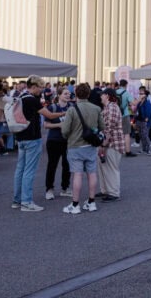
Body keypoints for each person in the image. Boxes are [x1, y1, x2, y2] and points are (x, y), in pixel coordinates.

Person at [12, 75, 65, 212]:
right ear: (34, 86)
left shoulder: (21, 97)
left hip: (21, 136)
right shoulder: (32, 100)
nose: (42, 90)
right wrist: (64, 113)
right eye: (40, 87)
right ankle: (26, 202)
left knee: (20, 170)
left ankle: (17, 200)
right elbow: (49, 115)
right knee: (29, 171)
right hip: (32, 138)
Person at [60, 83, 105, 214]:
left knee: (77, 174)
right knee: (92, 173)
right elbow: (102, 127)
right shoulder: (96, 108)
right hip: (90, 145)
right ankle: (91, 202)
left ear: (76, 94)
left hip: (75, 145)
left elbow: (65, 130)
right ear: (89, 94)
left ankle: (75, 204)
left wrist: (67, 136)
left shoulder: (72, 110)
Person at [43, 89, 72, 201]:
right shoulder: (52, 108)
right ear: (59, 95)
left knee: (67, 165)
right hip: (54, 140)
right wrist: (59, 125)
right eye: (65, 93)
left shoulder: (71, 107)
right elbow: (46, 125)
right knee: (52, 165)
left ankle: (65, 188)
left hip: (68, 140)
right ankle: (49, 189)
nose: (68, 95)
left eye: (69, 94)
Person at [97, 88, 124, 202]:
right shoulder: (109, 107)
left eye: (102, 95)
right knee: (104, 167)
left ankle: (113, 193)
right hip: (110, 143)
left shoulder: (111, 107)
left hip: (113, 143)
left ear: (107, 96)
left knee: (111, 168)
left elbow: (109, 128)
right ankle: (106, 190)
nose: (100, 97)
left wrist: (103, 145)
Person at [116, 80, 136, 158]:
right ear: (126, 85)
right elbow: (133, 103)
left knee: (117, 133)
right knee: (126, 133)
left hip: (116, 114)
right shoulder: (126, 93)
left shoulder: (115, 92)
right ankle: (128, 151)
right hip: (124, 115)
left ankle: (117, 150)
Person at [133, 89, 151, 156]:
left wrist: (146, 119)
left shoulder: (147, 102)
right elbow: (136, 110)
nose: (140, 95)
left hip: (144, 121)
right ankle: (143, 148)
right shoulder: (139, 102)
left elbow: (149, 112)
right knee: (141, 135)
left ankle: (148, 149)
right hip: (138, 120)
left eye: (142, 94)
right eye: (140, 93)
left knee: (145, 135)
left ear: (145, 95)